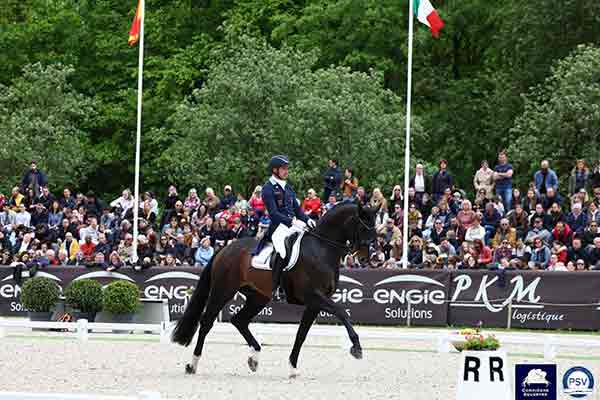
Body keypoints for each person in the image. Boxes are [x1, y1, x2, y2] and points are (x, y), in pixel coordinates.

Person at [252, 155, 316, 298]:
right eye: (284, 169)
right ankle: (275, 286)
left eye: (287, 168)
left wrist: (307, 220)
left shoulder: (288, 187)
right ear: (275, 170)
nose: (286, 171)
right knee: (282, 251)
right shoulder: (267, 189)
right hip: (278, 228)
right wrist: (291, 221)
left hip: (293, 224)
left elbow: (298, 210)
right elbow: (273, 214)